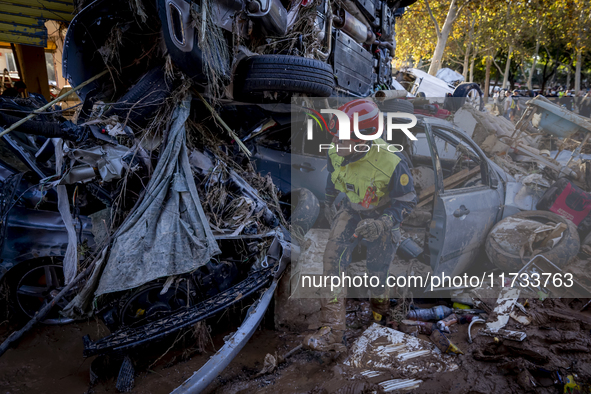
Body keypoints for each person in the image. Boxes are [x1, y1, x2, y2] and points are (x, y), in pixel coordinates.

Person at [303, 99, 417, 352]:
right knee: (332, 262)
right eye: (335, 137)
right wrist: (329, 203)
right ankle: (332, 331)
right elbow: (334, 179)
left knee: (377, 273)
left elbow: (408, 201)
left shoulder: (392, 161)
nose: (335, 143)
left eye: (342, 138)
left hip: (383, 217)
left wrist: (383, 224)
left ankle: (381, 313)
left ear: (363, 139)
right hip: (352, 211)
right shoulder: (335, 150)